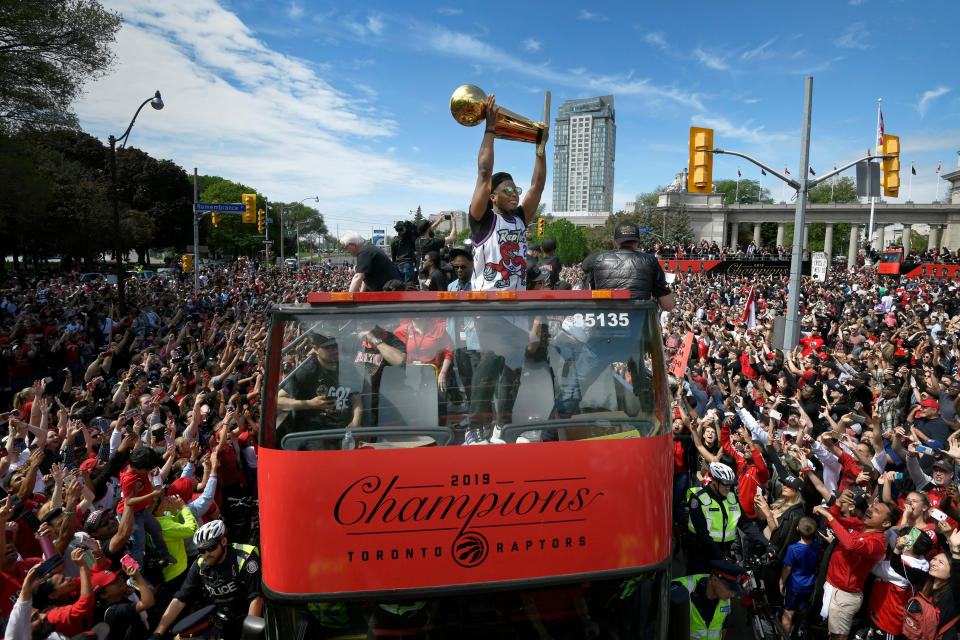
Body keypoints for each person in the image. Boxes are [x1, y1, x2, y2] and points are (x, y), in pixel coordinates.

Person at [468, 93, 546, 291]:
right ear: (492, 196)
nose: (514, 194)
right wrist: (490, 129)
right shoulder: (482, 220)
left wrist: (541, 148)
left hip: (516, 311)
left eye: (516, 189)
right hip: (487, 310)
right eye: (508, 189)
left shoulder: (520, 218)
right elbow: (484, 173)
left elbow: (537, 187)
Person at [150, 520, 262, 640]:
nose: (206, 554)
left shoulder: (245, 558)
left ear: (223, 542)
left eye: (211, 547)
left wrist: (248, 635)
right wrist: (158, 633)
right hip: (220, 619)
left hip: (248, 617)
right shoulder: (200, 564)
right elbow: (181, 598)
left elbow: (256, 598)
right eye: (201, 550)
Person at [812, 495, 897, 640]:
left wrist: (829, 515)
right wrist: (838, 504)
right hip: (831, 586)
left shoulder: (877, 544)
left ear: (886, 523)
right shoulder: (858, 525)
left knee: (839, 636)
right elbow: (829, 522)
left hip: (845, 596)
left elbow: (851, 544)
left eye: (876, 510)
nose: (870, 510)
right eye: (872, 507)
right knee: (832, 633)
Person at [275, 333, 362, 445]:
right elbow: (278, 401)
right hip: (317, 435)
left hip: (345, 432)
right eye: (329, 347)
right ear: (315, 349)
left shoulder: (347, 368)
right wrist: (310, 404)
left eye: (336, 345)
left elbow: (355, 396)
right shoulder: (307, 372)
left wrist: (356, 420)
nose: (335, 350)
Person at [581, 221, 675, 311]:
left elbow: (593, 294)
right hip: (639, 324)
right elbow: (668, 305)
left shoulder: (599, 260)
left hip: (607, 323)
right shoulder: (650, 261)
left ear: (614, 243)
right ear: (638, 243)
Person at [686, 461, 740, 575]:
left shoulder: (732, 497)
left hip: (722, 550)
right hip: (700, 552)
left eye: (730, 484)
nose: (728, 488)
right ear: (714, 481)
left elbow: (746, 523)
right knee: (701, 584)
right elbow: (703, 534)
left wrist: (767, 544)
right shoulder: (697, 499)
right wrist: (722, 557)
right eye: (725, 484)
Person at [669, 559, 745, 640]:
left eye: (734, 591)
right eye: (729, 589)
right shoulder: (681, 591)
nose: (732, 595)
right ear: (714, 580)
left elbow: (724, 627)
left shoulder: (726, 599)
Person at [779, 516, 819, 636]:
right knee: (802, 612)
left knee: (788, 614)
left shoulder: (793, 549)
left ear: (797, 529)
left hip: (794, 587)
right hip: (809, 585)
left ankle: (785, 636)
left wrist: (781, 582)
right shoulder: (816, 545)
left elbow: (787, 568)